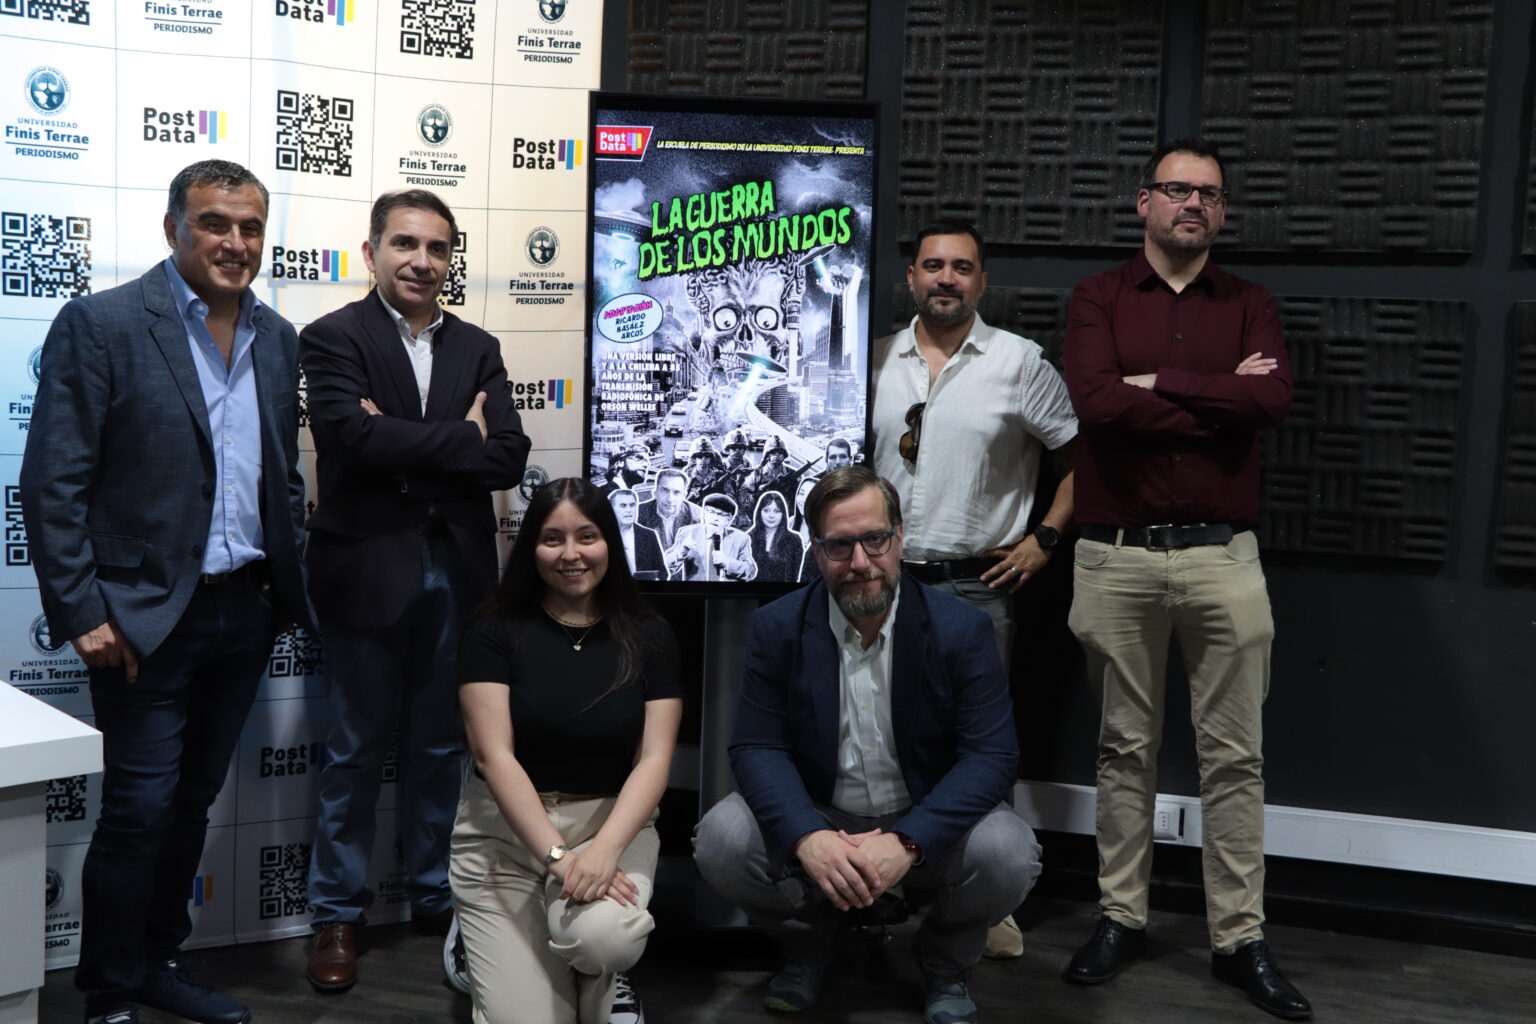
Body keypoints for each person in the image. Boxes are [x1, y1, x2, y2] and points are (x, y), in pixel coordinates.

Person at [20, 159, 314, 1024]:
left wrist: (280, 585)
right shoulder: (104, 323)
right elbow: (53, 482)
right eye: (215, 223)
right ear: (173, 228)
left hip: (244, 610)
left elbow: (280, 475)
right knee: (139, 810)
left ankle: (157, 961)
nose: (235, 242)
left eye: (251, 227)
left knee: (191, 805)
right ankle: (110, 993)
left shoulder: (277, 336)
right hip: (142, 619)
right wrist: (83, 612)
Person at [1060, 138, 1309, 1021]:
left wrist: (1157, 380)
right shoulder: (1097, 297)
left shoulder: (1251, 304)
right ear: (1145, 202)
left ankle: (1239, 939)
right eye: (1176, 189)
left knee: (1235, 758)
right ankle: (1120, 917)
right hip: (1115, 556)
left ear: (1222, 210)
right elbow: (1095, 403)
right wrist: (1213, 396)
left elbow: (1270, 401)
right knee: (1122, 748)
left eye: (1208, 193)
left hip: (1222, 557)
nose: (1192, 203)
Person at [693, 467, 1041, 1024]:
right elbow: (756, 747)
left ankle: (945, 961)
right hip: (821, 810)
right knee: (721, 841)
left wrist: (908, 841)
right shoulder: (777, 627)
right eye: (839, 545)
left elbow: (991, 756)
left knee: (1008, 854)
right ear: (816, 551)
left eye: (875, 540)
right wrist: (806, 835)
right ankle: (811, 944)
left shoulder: (960, 628)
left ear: (899, 538)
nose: (860, 562)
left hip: (922, 811)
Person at [301, 189, 531, 992]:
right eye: (405, 244)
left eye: (437, 248)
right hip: (366, 570)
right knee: (354, 749)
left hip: (458, 572)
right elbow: (350, 436)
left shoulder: (479, 346)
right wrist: (460, 439)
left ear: (449, 260)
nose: (421, 261)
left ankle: (439, 895)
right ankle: (337, 912)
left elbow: (507, 456)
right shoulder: (332, 336)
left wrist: (405, 445)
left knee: (441, 747)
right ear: (372, 253)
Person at [871, 220, 1079, 959]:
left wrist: (1043, 539)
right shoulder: (873, 359)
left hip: (975, 588)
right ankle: (880, 881)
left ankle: (988, 902)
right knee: (875, 734)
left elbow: (1082, 461)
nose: (946, 278)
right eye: (933, 265)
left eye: (962, 267)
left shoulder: (1019, 363)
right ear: (911, 278)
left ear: (982, 281)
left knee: (979, 745)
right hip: (877, 585)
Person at [450, 477, 682, 1024]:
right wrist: (559, 858)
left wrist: (602, 852)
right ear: (532, 548)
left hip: (609, 829)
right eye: (552, 539)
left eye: (587, 536)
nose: (571, 553)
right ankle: (477, 940)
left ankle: (594, 967)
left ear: (610, 544)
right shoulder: (492, 630)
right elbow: (493, 757)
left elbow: (654, 760)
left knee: (606, 940)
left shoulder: (651, 634)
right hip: (503, 837)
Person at [666, 493, 757, 581]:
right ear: (703, 513)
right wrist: (681, 552)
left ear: (729, 520)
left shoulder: (740, 538)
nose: (715, 518)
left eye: (721, 515)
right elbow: (666, 566)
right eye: (711, 512)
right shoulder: (688, 533)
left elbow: (750, 572)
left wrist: (727, 563)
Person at [609, 487, 667, 580]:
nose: (629, 510)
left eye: (632, 505)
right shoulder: (602, 536)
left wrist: (657, 580)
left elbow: (662, 572)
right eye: (623, 506)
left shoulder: (649, 536)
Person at [747, 490, 804, 583]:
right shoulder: (748, 538)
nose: (771, 516)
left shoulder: (794, 540)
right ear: (759, 512)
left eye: (777, 511)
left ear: (783, 514)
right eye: (766, 510)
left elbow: (796, 576)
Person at [637, 467, 699, 549]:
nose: (670, 499)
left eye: (676, 492)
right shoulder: (637, 514)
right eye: (665, 491)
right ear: (655, 493)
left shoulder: (697, 516)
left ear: (684, 496)